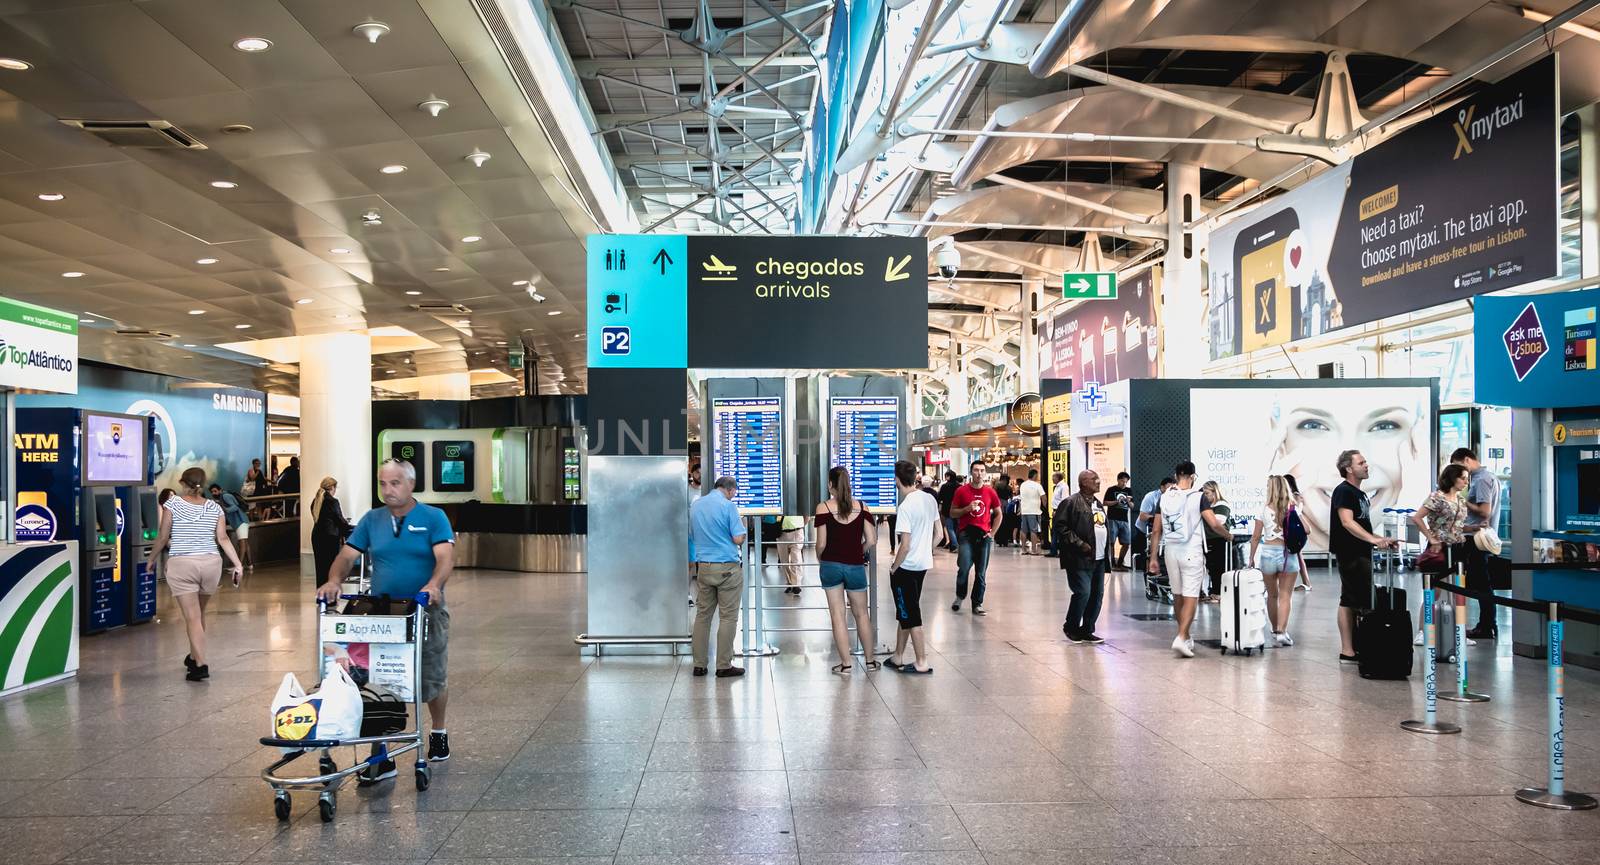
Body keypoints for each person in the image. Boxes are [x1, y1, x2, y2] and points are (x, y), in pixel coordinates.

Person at [319, 459, 457, 777]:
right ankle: (380, 753)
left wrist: (434, 585)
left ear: (411, 484)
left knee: (432, 677)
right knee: (376, 678)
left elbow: (445, 558)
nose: (387, 489)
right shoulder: (373, 520)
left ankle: (438, 731)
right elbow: (347, 555)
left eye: (394, 483)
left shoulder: (433, 518)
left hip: (425, 608)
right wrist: (334, 580)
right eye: (383, 483)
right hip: (383, 612)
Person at [148, 468, 244, 682]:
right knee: (199, 615)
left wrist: (151, 559)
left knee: (192, 617)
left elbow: (163, 537)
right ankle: (193, 656)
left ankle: (200, 665)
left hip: (183, 563)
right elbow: (223, 539)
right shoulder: (214, 507)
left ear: (183, 483)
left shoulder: (172, 504)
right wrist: (238, 564)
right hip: (211, 564)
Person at [1330, 449, 1401, 663]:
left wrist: (1380, 539)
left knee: (1354, 598)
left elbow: (1362, 525)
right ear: (1349, 468)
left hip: (1361, 551)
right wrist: (1372, 540)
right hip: (1350, 553)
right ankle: (1348, 650)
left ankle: (1354, 647)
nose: (1366, 465)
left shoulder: (1360, 494)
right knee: (1352, 599)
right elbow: (1347, 522)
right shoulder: (1344, 491)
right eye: (1361, 463)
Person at [1149, 461, 1217, 658]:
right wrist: (1227, 534)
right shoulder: (1198, 497)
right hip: (1192, 551)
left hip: (1170, 551)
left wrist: (1153, 557)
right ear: (1193, 476)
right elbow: (1213, 523)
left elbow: (1156, 529)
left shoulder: (1164, 497)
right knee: (1191, 596)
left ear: (1176, 475)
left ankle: (1185, 636)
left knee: (1178, 594)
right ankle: (1180, 636)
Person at [815, 467, 878, 674]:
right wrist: (858, 550)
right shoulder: (862, 507)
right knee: (862, 614)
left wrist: (820, 557)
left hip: (831, 565)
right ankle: (869, 662)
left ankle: (846, 665)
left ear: (830, 485)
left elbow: (821, 543)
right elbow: (872, 539)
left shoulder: (823, 508)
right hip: (855, 566)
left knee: (838, 615)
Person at [688, 476, 746, 679]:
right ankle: (723, 665)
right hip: (727, 568)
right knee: (728, 617)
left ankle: (699, 665)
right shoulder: (728, 506)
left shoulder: (696, 506)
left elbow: (693, 535)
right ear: (730, 490)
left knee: (703, 616)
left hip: (704, 567)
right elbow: (738, 538)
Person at [1411, 463, 1471, 646]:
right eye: (1462, 478)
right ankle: (1423, 630)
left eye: (1467, 478)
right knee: (1433, 590)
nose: (1466, 482)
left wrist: (1475, 528)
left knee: (1459, 591)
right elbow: (1417, 517)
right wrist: (1432, 537)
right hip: (1439, 548)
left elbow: (1458, 526)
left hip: (1458, 547)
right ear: (1453, 478)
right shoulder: (1437, 497)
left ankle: (1460, 631)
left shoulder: (1461, 500)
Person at [886, 460, 937, 674]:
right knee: (905, 610)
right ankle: (898, 655)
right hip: (922, 566)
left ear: (897, 480)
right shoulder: (929, 499)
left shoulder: (905, 506)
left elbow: (904, 546)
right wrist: (925, 551)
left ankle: (921, 662)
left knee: (912, 615)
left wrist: (893, 568)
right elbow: (940, 535)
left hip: (906, 568)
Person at [1452, 448, 1502, 639]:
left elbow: (1484, 511)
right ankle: (1487, 624)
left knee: (1481, 583)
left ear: (1467, 459)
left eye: (1458, 465)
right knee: (1482, 582)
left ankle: (1487, 625)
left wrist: (1462, 501)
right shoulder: (1489, 477)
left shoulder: (1481, 480)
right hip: (1481, 537)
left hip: (1477, 539)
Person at [1056, 470, 1110, 644]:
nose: (1098, 482)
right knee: (1083, 592)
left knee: (1097, 594)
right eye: (1095, 479)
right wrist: (1080, 544)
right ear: (1084, 482)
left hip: (1099, 558)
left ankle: (1087, 629)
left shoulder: (1098, 504)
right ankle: (1071, 626)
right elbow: (1061, 527)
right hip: (1079, 558)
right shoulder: (1071, 503)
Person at [1250, 475, 1301, 647]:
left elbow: (1256, 537)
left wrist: (1251, 558)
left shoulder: (1263, 508)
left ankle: (1274, 629)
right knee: (1286, 596)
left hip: (1268, 553)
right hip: (1288, 554)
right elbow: (1305, 529)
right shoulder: (1293, 507)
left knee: (1272, 596)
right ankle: (1282, 631)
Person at [950, 461, 1002, 615]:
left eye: (982, 470)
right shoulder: (961, 491)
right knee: (964, 567)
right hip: (966, 534)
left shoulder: (990, 492)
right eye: (976, 470)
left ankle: (977, 603)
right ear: (971, 472)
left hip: (983, 535)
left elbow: (999, 513)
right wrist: (967, 509)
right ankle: (960, 596)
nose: (979, 473)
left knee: (981, 572)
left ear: (985, 473)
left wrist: (992, 533)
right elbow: (952, 512)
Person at [310, 476, 354, 587]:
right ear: (332, 488)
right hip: (330, 538)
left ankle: (321, 595)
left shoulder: (316, 501)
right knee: (331, 568)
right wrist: (350, 527)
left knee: (320, 568)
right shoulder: (333, 501)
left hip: (316, 536)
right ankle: (330, 596)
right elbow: (339, 521)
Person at [1200, 480, 1234, 602]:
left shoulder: (1222, 505)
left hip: (1218, 540)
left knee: (1218, 567)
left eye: (1207, 493)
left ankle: (1218, 593)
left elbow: (1218, 522)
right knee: (1211, 567)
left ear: (1215, 492)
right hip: (1207, 540)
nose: (1205, 496)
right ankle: (1213, 592)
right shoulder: (1207, 507)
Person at [1135, 477, 1176, 573]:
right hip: (1144, 529)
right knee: (1145, 553)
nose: (1170, 490)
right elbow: (1142, 516)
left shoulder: (1174, 497)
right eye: (1168, 488)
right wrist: (1156, 518)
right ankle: (1147, 572)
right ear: (1162, 487)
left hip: (1162, 530)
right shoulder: (1151, 496)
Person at [211, 483, 251, 572]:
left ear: (220, 490)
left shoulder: (225, 496)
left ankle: (238, 566)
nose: (214, 493)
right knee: (245, 543)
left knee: (242, 543)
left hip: (240, 521)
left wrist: (224, 509)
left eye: (215, 491)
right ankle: (249, 564)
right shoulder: (224, 496)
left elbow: (235, 507)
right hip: (241, 521)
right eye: (212, 492)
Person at [1102, 472, 1134, 570]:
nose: (1124, 483)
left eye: (1126, 482)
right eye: (1122, 481)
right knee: (1111, 542)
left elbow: (1132, 506)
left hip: (1124, 519)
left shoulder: (1129, 491)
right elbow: (1104, 502)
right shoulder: (1111, 490)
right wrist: (1116, 502)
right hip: (1112, 518)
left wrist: (1128, 501)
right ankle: (1112, 563)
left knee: (1127, 542)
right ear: (1118, 480)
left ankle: (1120, 562)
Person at [1018, 469, 1046, 555]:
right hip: (1034, 511)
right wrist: (1045, 507)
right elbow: (1044, 497)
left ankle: (1023, 549)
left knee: (1023, 530)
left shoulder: (1023, 485)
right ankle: (1034, 550)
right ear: (1035, 475)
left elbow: (1021, 497)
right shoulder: (1037, 485)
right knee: (1033, 530)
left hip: (1024, 510)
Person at [777, 514, 806, 596]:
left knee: (796, 558)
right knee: (784, 560)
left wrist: (801, 526)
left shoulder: (800, 503)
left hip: (797, 531)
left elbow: (806, 516)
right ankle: (790, 583)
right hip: (781, 532)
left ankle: (796, 584)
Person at [937, 471, 961, 551]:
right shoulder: (959, 486)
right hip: (958, 509)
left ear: (949, 476)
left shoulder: (944, 486)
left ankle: (955, 544)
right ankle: (956, 544)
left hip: (947, 510)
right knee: (957, 527)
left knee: (949, 528)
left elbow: (940, 497)